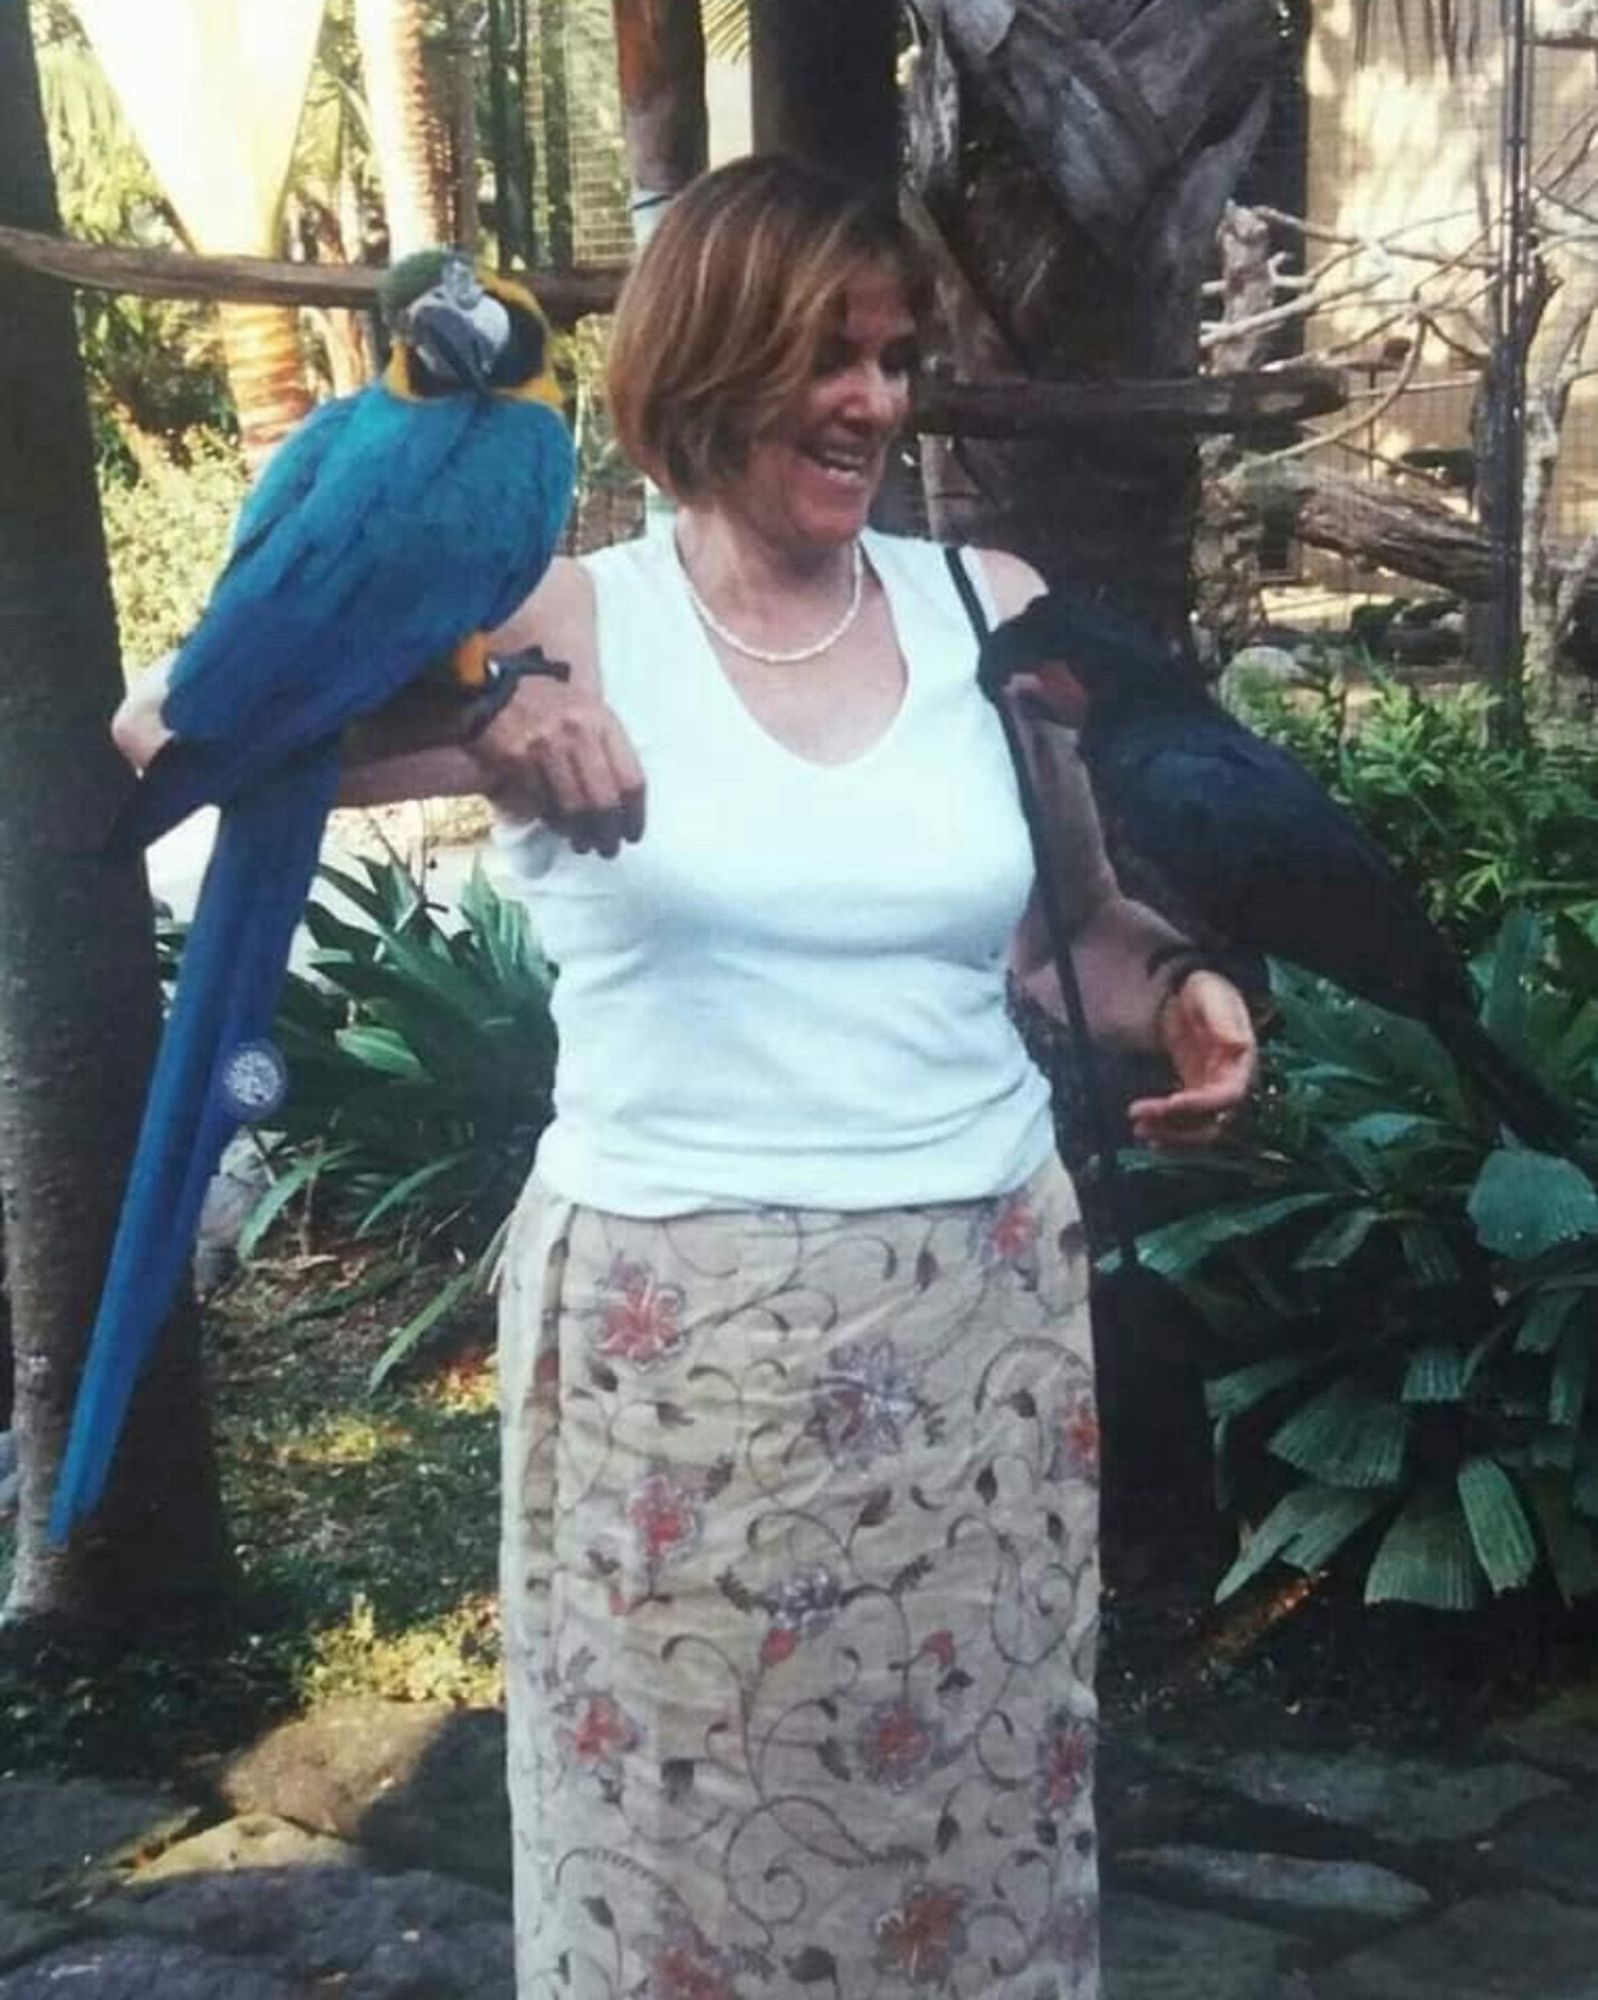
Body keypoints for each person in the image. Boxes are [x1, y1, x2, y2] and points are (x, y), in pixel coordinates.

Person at [116, 155, 1255, 1999]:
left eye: (893, 360)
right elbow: (157, 728)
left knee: (971, 1840)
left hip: (978, 1336)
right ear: (706, 365)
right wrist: (487, 711)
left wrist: (1184, 990)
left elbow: (1067, 933)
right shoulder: (565, 613)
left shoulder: (988, 603)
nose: (874, 403)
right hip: (680, 1351)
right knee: (686, 1870)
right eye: (827, 357)